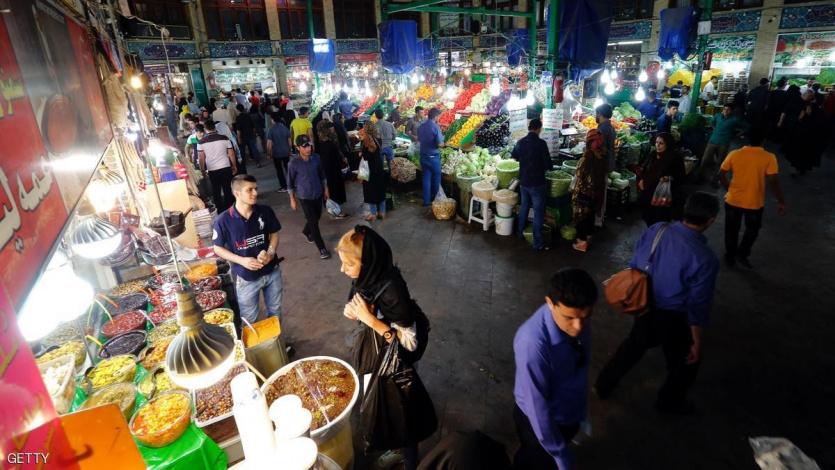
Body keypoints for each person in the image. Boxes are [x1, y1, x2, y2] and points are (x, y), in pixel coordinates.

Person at [595, 192, 721, 415]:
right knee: (685, 361)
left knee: (634, 345)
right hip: (673, 315)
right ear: (711, 220)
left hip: (642, 302)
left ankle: (603, 385)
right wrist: (697, 340)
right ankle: (668, 404)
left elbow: (637, 259)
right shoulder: (705, 258)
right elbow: (698, 303)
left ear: (685, 210)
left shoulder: (658, 229)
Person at [338, 225, 430, 469]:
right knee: (386, 405)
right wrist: (353, 312)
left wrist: (371, 321)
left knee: (403, 408)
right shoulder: (366, 278)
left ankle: (410, 459)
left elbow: (409, 345)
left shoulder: (393, 291)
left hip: (399, 355)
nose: (342, 270)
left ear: (367, 262)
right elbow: (357, 303)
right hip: (380, 350)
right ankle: (396, 446)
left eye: (348, 264)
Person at [513, 268, 597, 470]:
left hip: (567, 413)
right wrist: (560, 455)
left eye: (585, 317)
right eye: (569, 318)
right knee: (535, 460)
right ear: (550, 303)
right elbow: (538, 409)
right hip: (541, 426)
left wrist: (580, 411)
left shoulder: (578, 321)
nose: (578, 327)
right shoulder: (532, 344)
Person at [212, 175, 283, 324]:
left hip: (271, 271)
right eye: (249, 190)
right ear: (237, 193)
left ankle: (276, 339)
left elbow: (274, 234)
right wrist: (242, 261)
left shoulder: (265, 211)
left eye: (256, 189)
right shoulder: (223, 220)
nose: (255, 193)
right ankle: (254, 340)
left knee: (275, 311)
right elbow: (217, 248)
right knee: (249, 319)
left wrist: (270, 253)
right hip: (246, 278)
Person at [718, 128, 786, 269]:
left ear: (746, 139)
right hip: (754, 203)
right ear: (763, 141)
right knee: (752, 230)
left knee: (731, 230)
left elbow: (721, 174)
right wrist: (781, 201)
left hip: (733, 200)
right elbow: (773, 181)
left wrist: (728, 189)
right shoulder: (769, 157)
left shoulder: (735, 154)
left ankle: (730, 256)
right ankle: (742, 254)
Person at [287, 135, 331, 260]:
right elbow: (289, 183)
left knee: (317, 217)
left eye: (309, 145)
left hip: (317, 193)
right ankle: (322, 248)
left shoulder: (316, 158)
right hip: (304, 196)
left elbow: (322, 175)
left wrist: (326, 188)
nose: (308, 149)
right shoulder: (293, 163)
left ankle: (306, 231)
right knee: (313, 223)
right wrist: (292, 198)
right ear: (298, 148)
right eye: (304, 146)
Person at [512, 118, 553, 251]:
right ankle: (537, 243)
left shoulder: (520, 142)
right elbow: (548, 165)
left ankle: (519, 233)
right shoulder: (541, 144)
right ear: (539, 129)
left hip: (524, 182)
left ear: (529, 128)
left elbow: (514, 156)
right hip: (537, 183)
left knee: (524, 207)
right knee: (538, 212)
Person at [571, 129, 608, 253]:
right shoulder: (602, 155)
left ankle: (582, 243)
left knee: (582, 218)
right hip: (596, 193)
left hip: (585, 193)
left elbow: (579, 174)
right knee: (590, 216)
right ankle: (588, 238)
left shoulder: (587, 157)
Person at [638, 133, 686, 226]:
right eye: (656, 142)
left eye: (661, 143)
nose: (658, 145)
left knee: (660, 218)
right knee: (649, 217)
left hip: (663, 195)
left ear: (668, 144)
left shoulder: (675, 158)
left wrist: (669, 178)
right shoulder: (653, 154)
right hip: (649, 192)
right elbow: (645, 169)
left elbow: (681, 176)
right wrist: (642, 179)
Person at [197, 120, 238, 211]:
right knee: (228, 189)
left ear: (205, 129)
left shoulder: (201, 142)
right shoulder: (224, 138)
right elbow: (231, 154)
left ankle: (219, 210)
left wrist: (202, 170)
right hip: (225, 167)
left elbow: (201, 158)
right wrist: (234, 166)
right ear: (215, 127)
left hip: (212, 169)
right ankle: (231, 209)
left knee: (216, 191)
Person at [699, 104, 746, 183]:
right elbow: (712, 123)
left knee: (720, 163)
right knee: (705, 160)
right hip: (712, 141)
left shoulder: (735, 119)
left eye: (728, 110)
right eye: (724, 109)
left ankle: (715, 180)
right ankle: (700, 177)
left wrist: (737, 135)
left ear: (731, 111)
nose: (725, 111)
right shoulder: (718, 116)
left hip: (723, 144)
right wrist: (715, 130)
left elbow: (746, 127)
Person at [786, 89, 828, 176]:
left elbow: (800, 118)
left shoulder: (807, 107)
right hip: (812, 136)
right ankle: (803, 168)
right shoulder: (821, 111)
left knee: (799, 151)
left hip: (802, 133)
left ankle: (798, 168)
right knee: (807, 152)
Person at [316, 120, 348, 213]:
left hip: (326, 170)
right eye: (330, 128)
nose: (332, 129)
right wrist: (342, 159)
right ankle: (335, 209)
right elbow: (336, 155)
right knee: (334, 189)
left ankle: (332, 207)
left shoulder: (319, 142)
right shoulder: (330, 143)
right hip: (333, 170)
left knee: (329, 188)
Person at [360, 124, 387, 221]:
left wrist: (361, 153)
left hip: (370, 170)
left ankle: (373, 214)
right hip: (378, 168)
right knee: (380, 189)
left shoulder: (365, 142)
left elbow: (366, 157)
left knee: (371, 191)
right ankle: (382, 212)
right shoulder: (378, 140)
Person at [417, 108, 444, 206]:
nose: (439, 118)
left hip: (423, 156)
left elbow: (419, 139)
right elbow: (440, 144)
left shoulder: (421, 126)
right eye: (438, 117)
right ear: (436, 116)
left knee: (426, 178)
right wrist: (444, 143)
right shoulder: (435, 127)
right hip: (433, 157)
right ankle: (437, 200)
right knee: (436, 178)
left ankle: (426, 201)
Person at [266, 111, 292, 192]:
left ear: (272, 119)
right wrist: (289, 150)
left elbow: (269, 144)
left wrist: (269, 153)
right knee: (288, 168)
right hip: (286, 152)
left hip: (276, 153)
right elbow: (289, 141)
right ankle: (291, 185)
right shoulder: (285, 128)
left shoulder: (271, 130)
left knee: (279, 170)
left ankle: (284, 187)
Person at [235, 103, 261, 168]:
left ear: (238, 110)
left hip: (243, 136)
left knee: (242, 150)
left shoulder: (238, 118)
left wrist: (238, 138)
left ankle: (243, 164)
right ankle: (258, 163)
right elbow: (253, 127)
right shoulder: (248, 116)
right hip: (251, 135)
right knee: (254, 149)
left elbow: (238, 130)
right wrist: (255, 133)